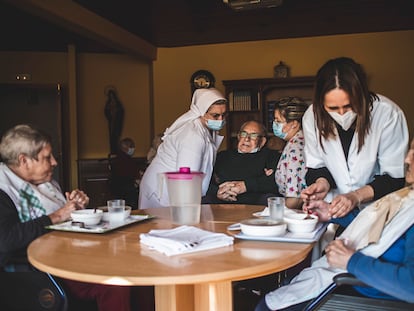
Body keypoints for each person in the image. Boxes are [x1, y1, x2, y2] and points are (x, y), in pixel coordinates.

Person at [255, 138, 414, 311]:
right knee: (286, 286)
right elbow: (381, 226)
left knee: (268, 306)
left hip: (365, 290)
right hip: (355, 277)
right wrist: (330, 212)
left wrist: (351, 261)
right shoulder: (408, 196)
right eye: (410, 150)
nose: (407, 159)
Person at [0, 124, 132, 311]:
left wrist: (78, 208)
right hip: (36, 273)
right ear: (24, 161)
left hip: (69, 255)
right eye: (47, 157)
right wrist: (58, 215)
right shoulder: (3, 190)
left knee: (125, 264)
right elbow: (5, 240)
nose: (54, 162)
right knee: (115, 281)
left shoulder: (44, 183)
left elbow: (63, 220)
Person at [301, 57, 408, 219]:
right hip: (332, 209)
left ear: (361, 95)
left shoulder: (387, 114)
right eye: (333, 108)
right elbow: (317, 165)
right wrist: (322, 183)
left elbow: (394, 177)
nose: (342, 113)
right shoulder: (312, 116)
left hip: (378, 210)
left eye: (349, 106)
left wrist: (356, 196)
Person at [139, 88, 227, 209]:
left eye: (223, 115)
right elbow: (186, 178)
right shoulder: (192, 136)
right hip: (163, 191)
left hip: (174, 188)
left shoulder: (203, 129)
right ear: (201, 111)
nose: (220, 120)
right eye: (215, 115)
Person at [203, 120, 280, 205]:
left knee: (271, 199)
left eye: (253, 135)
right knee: (205, 200)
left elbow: (277, 181)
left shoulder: (271, 156)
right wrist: (218, 191)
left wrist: (246, 186)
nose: (247, 139)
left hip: (255, 202)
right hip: (223, 201)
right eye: (244, 134)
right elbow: (207, 181)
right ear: (239, 137)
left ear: (262, 141)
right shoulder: (222, 156)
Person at [272, 97, 309, 209]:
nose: (274, 124)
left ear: (294, 124)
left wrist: (277, 217)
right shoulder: (298, 141)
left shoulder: (295, 148)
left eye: (278, 121)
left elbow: (295, 198)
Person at [109, 137, 140, 209]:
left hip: (118, 191)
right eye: (131, 146)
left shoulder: (118, 159)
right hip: (127, 191)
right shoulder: (126, 160)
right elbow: (132, 175)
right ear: (125, 147)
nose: (133, 149)